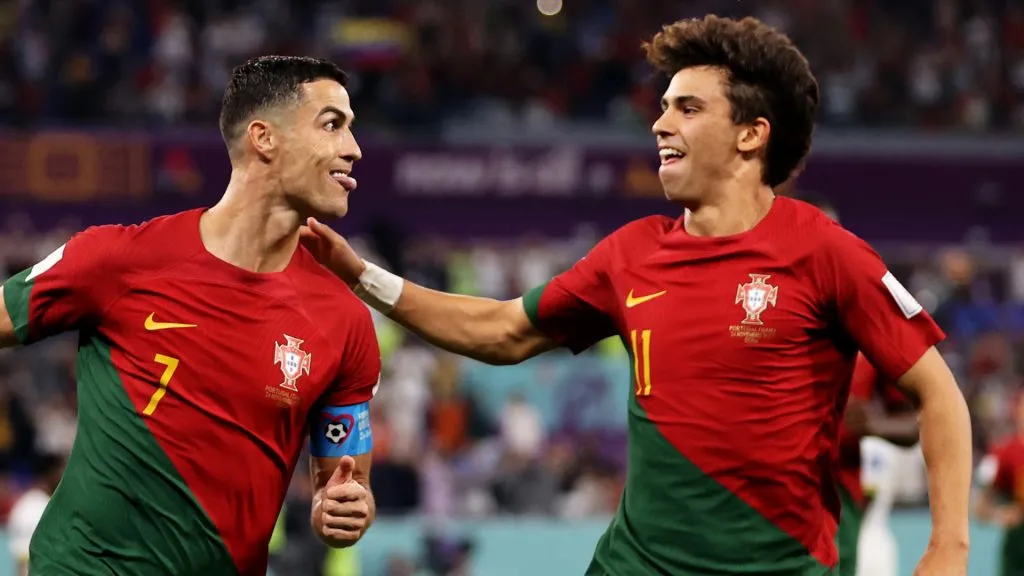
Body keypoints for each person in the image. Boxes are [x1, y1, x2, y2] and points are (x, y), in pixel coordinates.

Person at [302, 15, 973, 575]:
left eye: (688, 107)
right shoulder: (631, 254)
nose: (659, 124)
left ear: (751, 133)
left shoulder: (825, 252)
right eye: (662, 107)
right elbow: (502, 330)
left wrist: (948, 544)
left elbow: (938, 394)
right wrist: (365, 276)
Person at [0, 55, 381, 575]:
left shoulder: (345, 322)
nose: (354, 149)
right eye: (333, 125)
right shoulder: (116, 260)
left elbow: (343, 487)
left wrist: (342, 509)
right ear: (264, 138)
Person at [799, 196, 922, 576]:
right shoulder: (753, 324)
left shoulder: (869, 334)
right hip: (760, 493)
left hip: (837, 499)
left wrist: (873, 425)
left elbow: (922, 419)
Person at [975, 393, 1024, 576]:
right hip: (1016, 554)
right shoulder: (1003, 453)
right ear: (1017, 410)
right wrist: (1001, 514)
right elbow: (980, 510)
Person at [7, 453, 65, 576]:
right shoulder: (41, 506)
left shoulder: (23, 503)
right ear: (50, 473)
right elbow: (26, 558)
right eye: (60, 471)